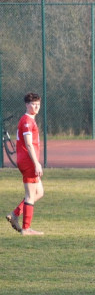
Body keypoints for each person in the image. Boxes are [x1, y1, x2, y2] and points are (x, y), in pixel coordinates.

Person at [6, 93, 46, 236]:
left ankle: (15, 214)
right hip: (28, 161)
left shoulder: (28, 120)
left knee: (39, 192)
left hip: (27, 160)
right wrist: (36, 164)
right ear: (26, 105)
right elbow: (29, 144)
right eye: (33, 104)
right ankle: (26, 228)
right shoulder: (27, 121)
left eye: (38, 104)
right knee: (30, 195)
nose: (36, 107)